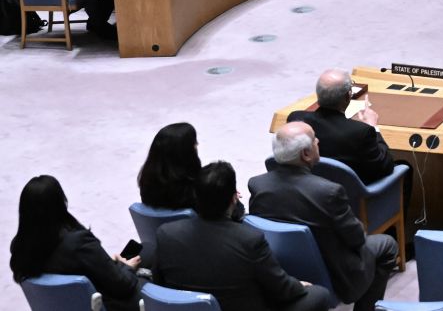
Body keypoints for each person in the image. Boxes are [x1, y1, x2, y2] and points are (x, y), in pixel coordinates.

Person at [248, 122, 398, 311]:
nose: (318, 141)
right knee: (387, 244)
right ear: (306, 154)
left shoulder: (257, 185)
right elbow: (357, 239)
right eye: (314, 139)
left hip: (285, 268)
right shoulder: (328, 192)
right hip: (335, 272)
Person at [155, 161, 329, 311]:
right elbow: (281, 288)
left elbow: (159, 281)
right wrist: (299, 285)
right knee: (319, 295)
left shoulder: (166, 233)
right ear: (233, 199)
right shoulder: (249, 239)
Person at [9, 175, 142, 311]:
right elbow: (123, 286)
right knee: (149, 257)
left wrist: (104, 263)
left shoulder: (20, 249)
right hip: (106, 303)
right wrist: (126, 267)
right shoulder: (78, 243)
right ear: (60, 203)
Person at [286, 69, 394, 183]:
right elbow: (385, 166)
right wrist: (373, 126)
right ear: (348, 96)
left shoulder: (296, 120)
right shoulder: (361, 132)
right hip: (353, 193)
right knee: (404, 166)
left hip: (308, 187)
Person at [137, 122, 201, 210]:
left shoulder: (147, 183)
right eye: (194, 143)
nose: (197, 145)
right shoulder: (196, 192)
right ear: (186, 154)